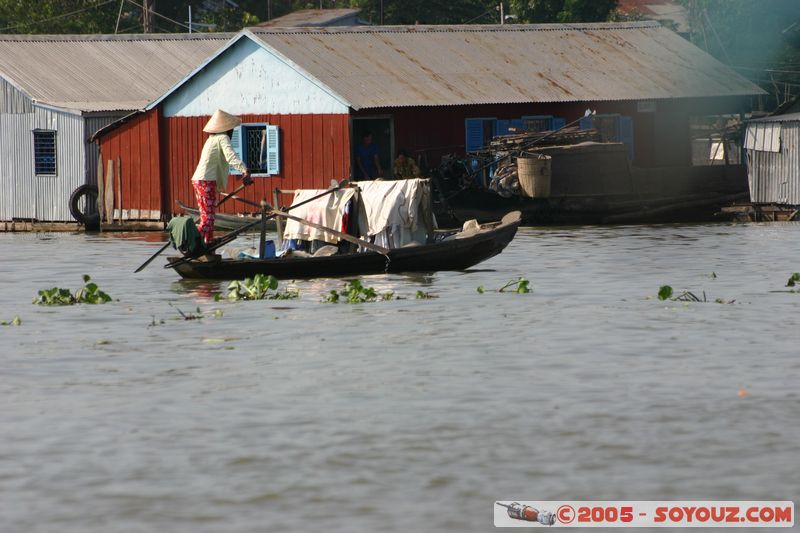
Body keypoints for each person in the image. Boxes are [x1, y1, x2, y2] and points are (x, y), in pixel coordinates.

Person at [191, 109, 252, 246]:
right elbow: (230, 157)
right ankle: (188, 238)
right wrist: (245, 170)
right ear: (227, 129)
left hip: (201, 180)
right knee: (208, 220)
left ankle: (207, 244)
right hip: (206, 181)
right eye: (232, 130)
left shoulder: (211, 139)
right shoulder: (222, 138)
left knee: (208, 218)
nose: (232, 132)